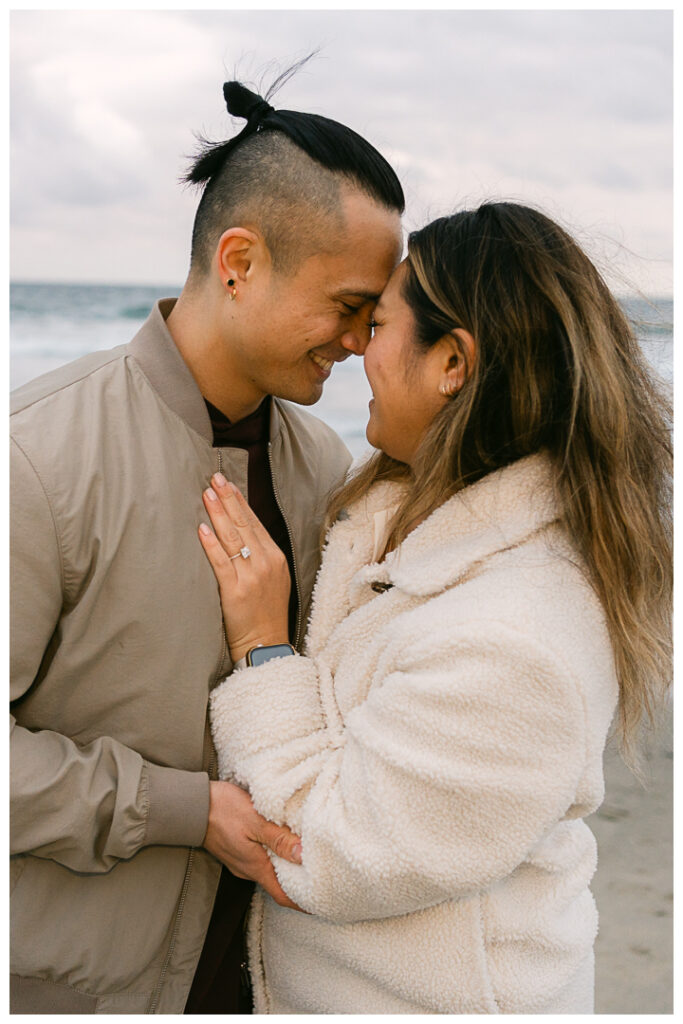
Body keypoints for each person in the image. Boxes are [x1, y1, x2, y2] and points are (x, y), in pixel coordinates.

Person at [203, 202, 672, 1014]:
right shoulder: (419, 535)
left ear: (451, 363)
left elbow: (326, 855)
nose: (355, 347)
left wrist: (262, 647)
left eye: (377, 323)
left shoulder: (514, 636)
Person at [9, 73, 404, 1013]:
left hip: (268, 978)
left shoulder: (322, 467)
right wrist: (184, 812)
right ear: (238, 261)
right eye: (347, 304)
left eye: (375, 314)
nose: (360, 341)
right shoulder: (36, 456)